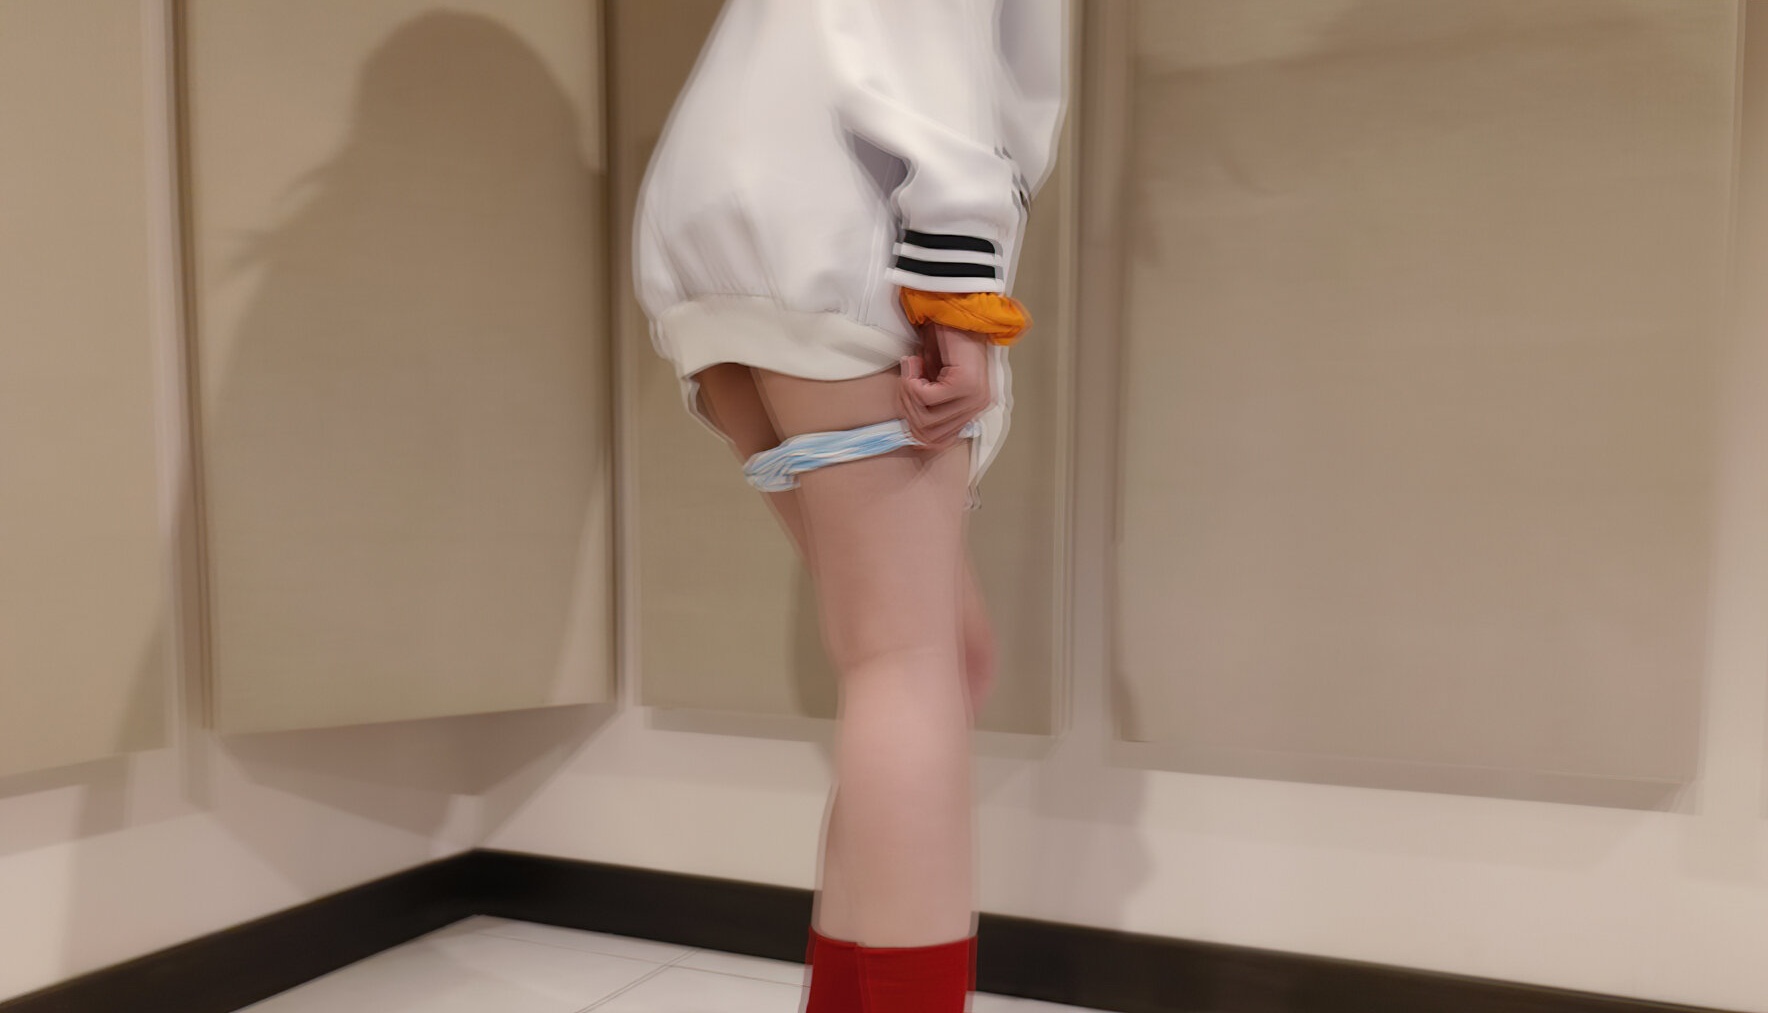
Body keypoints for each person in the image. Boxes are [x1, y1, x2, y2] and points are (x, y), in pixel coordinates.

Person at [633, 1, 1065, 1009]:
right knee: (906, 661)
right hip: (842, 220)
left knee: (945, 654)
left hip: (726, 222)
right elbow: (927, 41)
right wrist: (959, 286)